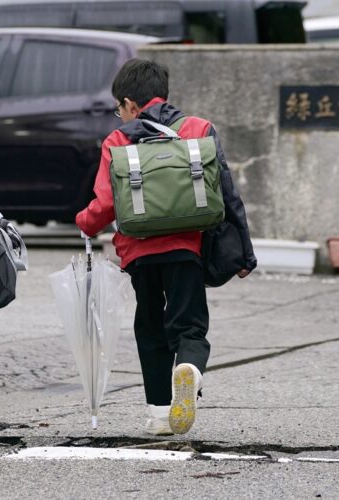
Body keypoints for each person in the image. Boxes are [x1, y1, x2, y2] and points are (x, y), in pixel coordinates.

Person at [76, 59, 257, 435]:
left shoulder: (118, 140)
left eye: (118, 109)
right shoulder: (199, 129)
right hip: (187, 248)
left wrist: (84, 222)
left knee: (150, 327)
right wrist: (244, 252)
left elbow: (105, 205)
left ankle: (159, 414)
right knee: (189, 325)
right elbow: (227, 194)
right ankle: (189, 368)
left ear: (129, 104)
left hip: (140, 252)